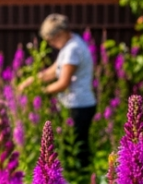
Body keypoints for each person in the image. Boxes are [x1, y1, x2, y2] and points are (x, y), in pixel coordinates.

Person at [22, 13, 96, 174]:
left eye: (51, 39)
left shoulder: (72, 50)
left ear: (60, 33)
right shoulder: (70, 45)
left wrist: (38, 92)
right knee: (75, 145)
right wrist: (31, 81)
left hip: (79, 105)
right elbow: (53, 71)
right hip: (78, 104)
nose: (50, 43)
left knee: (78, 149)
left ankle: (83, 182)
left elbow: (63, 82)